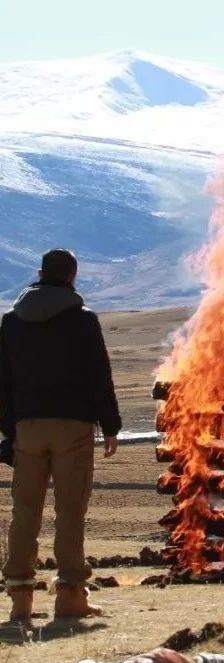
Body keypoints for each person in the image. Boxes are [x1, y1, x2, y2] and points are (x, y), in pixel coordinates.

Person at [0, 249, 122, 622]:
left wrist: (11, 430)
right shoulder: (83, 320)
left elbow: (2, 382)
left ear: (39, 273)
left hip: (28, 428)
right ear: (72, 276)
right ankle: (70, 598)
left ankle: (20, 600)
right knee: (70, 512)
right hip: (73, 425)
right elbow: (98, 374)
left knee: (25, 512)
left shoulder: (11, 322)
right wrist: (111, 426)